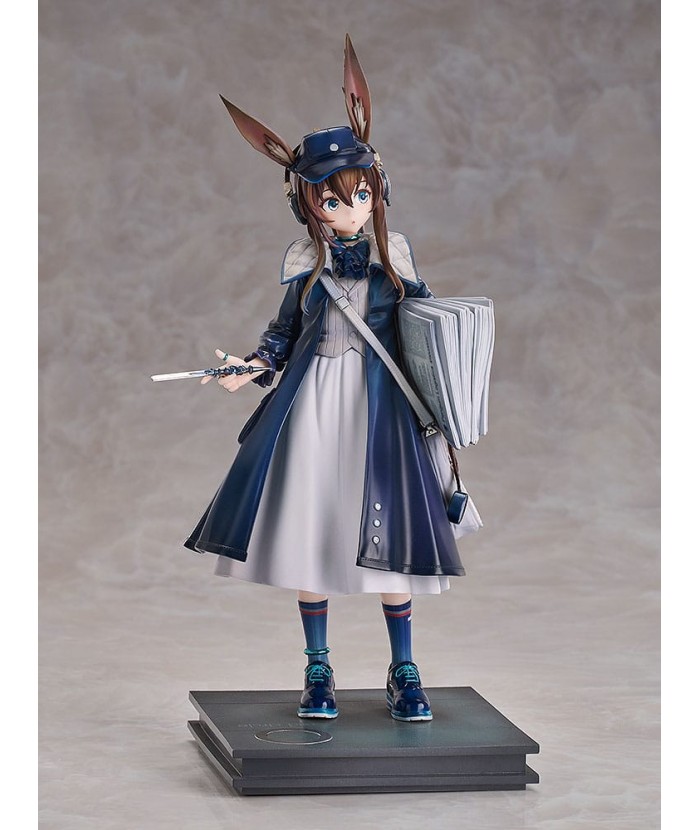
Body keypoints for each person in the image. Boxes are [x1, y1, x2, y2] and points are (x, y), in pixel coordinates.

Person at [185, 36, 467, 722]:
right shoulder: (303, 266)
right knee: (311, 529)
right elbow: (282, 335)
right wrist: (251, 367)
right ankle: (318, 668)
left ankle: (404, 668)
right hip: (312, 405)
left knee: (392, 540)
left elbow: (429, 331)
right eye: (332, 201)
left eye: (359, 196)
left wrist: (450, 391)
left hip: (380, 410)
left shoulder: (395, 259)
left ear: (377, 192)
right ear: (308, 205)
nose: (347, 210)